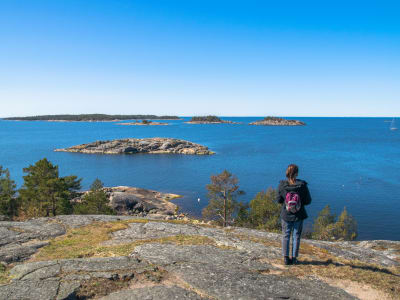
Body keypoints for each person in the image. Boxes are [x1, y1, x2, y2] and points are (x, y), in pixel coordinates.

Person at [275, 164, 312, 265]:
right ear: (297, 173)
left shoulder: (282, 185)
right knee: (296, 236)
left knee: (286, 235)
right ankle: (294, 259)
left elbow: (278, 200)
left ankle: (286, 259)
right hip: (298, 215)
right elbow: (308, 201)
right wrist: (299, 203)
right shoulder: (302, 185)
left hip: (286, 215)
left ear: (287, 173)